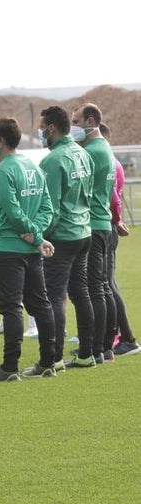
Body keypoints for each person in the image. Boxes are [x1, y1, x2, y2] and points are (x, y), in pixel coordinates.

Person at [0, 117, 56, 383]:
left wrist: (33, 234)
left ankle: (9, 367)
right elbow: (48, 208)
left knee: (12, 308)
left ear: (1, 141)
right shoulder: (33, 166)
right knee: (41, 304)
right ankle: (48, 362)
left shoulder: (1, 171)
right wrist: (37, 235)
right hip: (31, 251)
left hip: (8, 249)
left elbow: (12, 212)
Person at [37, 106, 96, 369]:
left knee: (54, 297)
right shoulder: (83, 153)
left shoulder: (52, 160)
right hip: (84, 231)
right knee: (80, 293)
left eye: (42, 127)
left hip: (62, 236)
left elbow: (51, 208)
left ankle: (54, 358)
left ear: (51, 128)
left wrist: (40, 236)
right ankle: (86, 354)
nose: (40, 132)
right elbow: (89, 194)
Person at [72, 102, 116, 363]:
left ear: (90, 121)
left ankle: (97, 348)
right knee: (102, 287)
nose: (73, 127)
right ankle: (105, 346)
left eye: (76, 122)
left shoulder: (92, 151)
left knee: (94, 289)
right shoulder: (104, 148)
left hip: (94, 224)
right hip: (104, 223)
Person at [99, 121, 137, 357]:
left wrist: (117, 219)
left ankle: (127, 338)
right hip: (110, 225)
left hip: (107, 227)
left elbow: (113, 197)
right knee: (106, 284)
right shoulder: (113, 162)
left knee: (107, 284)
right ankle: (110, 338)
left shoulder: (108, 162)